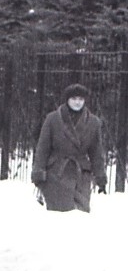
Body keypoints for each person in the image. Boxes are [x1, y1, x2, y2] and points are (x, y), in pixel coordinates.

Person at [32, 83, 107, 212]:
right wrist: (39, 173)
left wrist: (100, 177)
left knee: (80, 215)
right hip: (56, 173)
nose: (77, 103)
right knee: (59, 215)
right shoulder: (53, 119)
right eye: (74, 99)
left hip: (81, 175)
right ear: (67, 100)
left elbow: (96, 152)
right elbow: (42, 148)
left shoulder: (93, 123)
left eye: (81, 99)